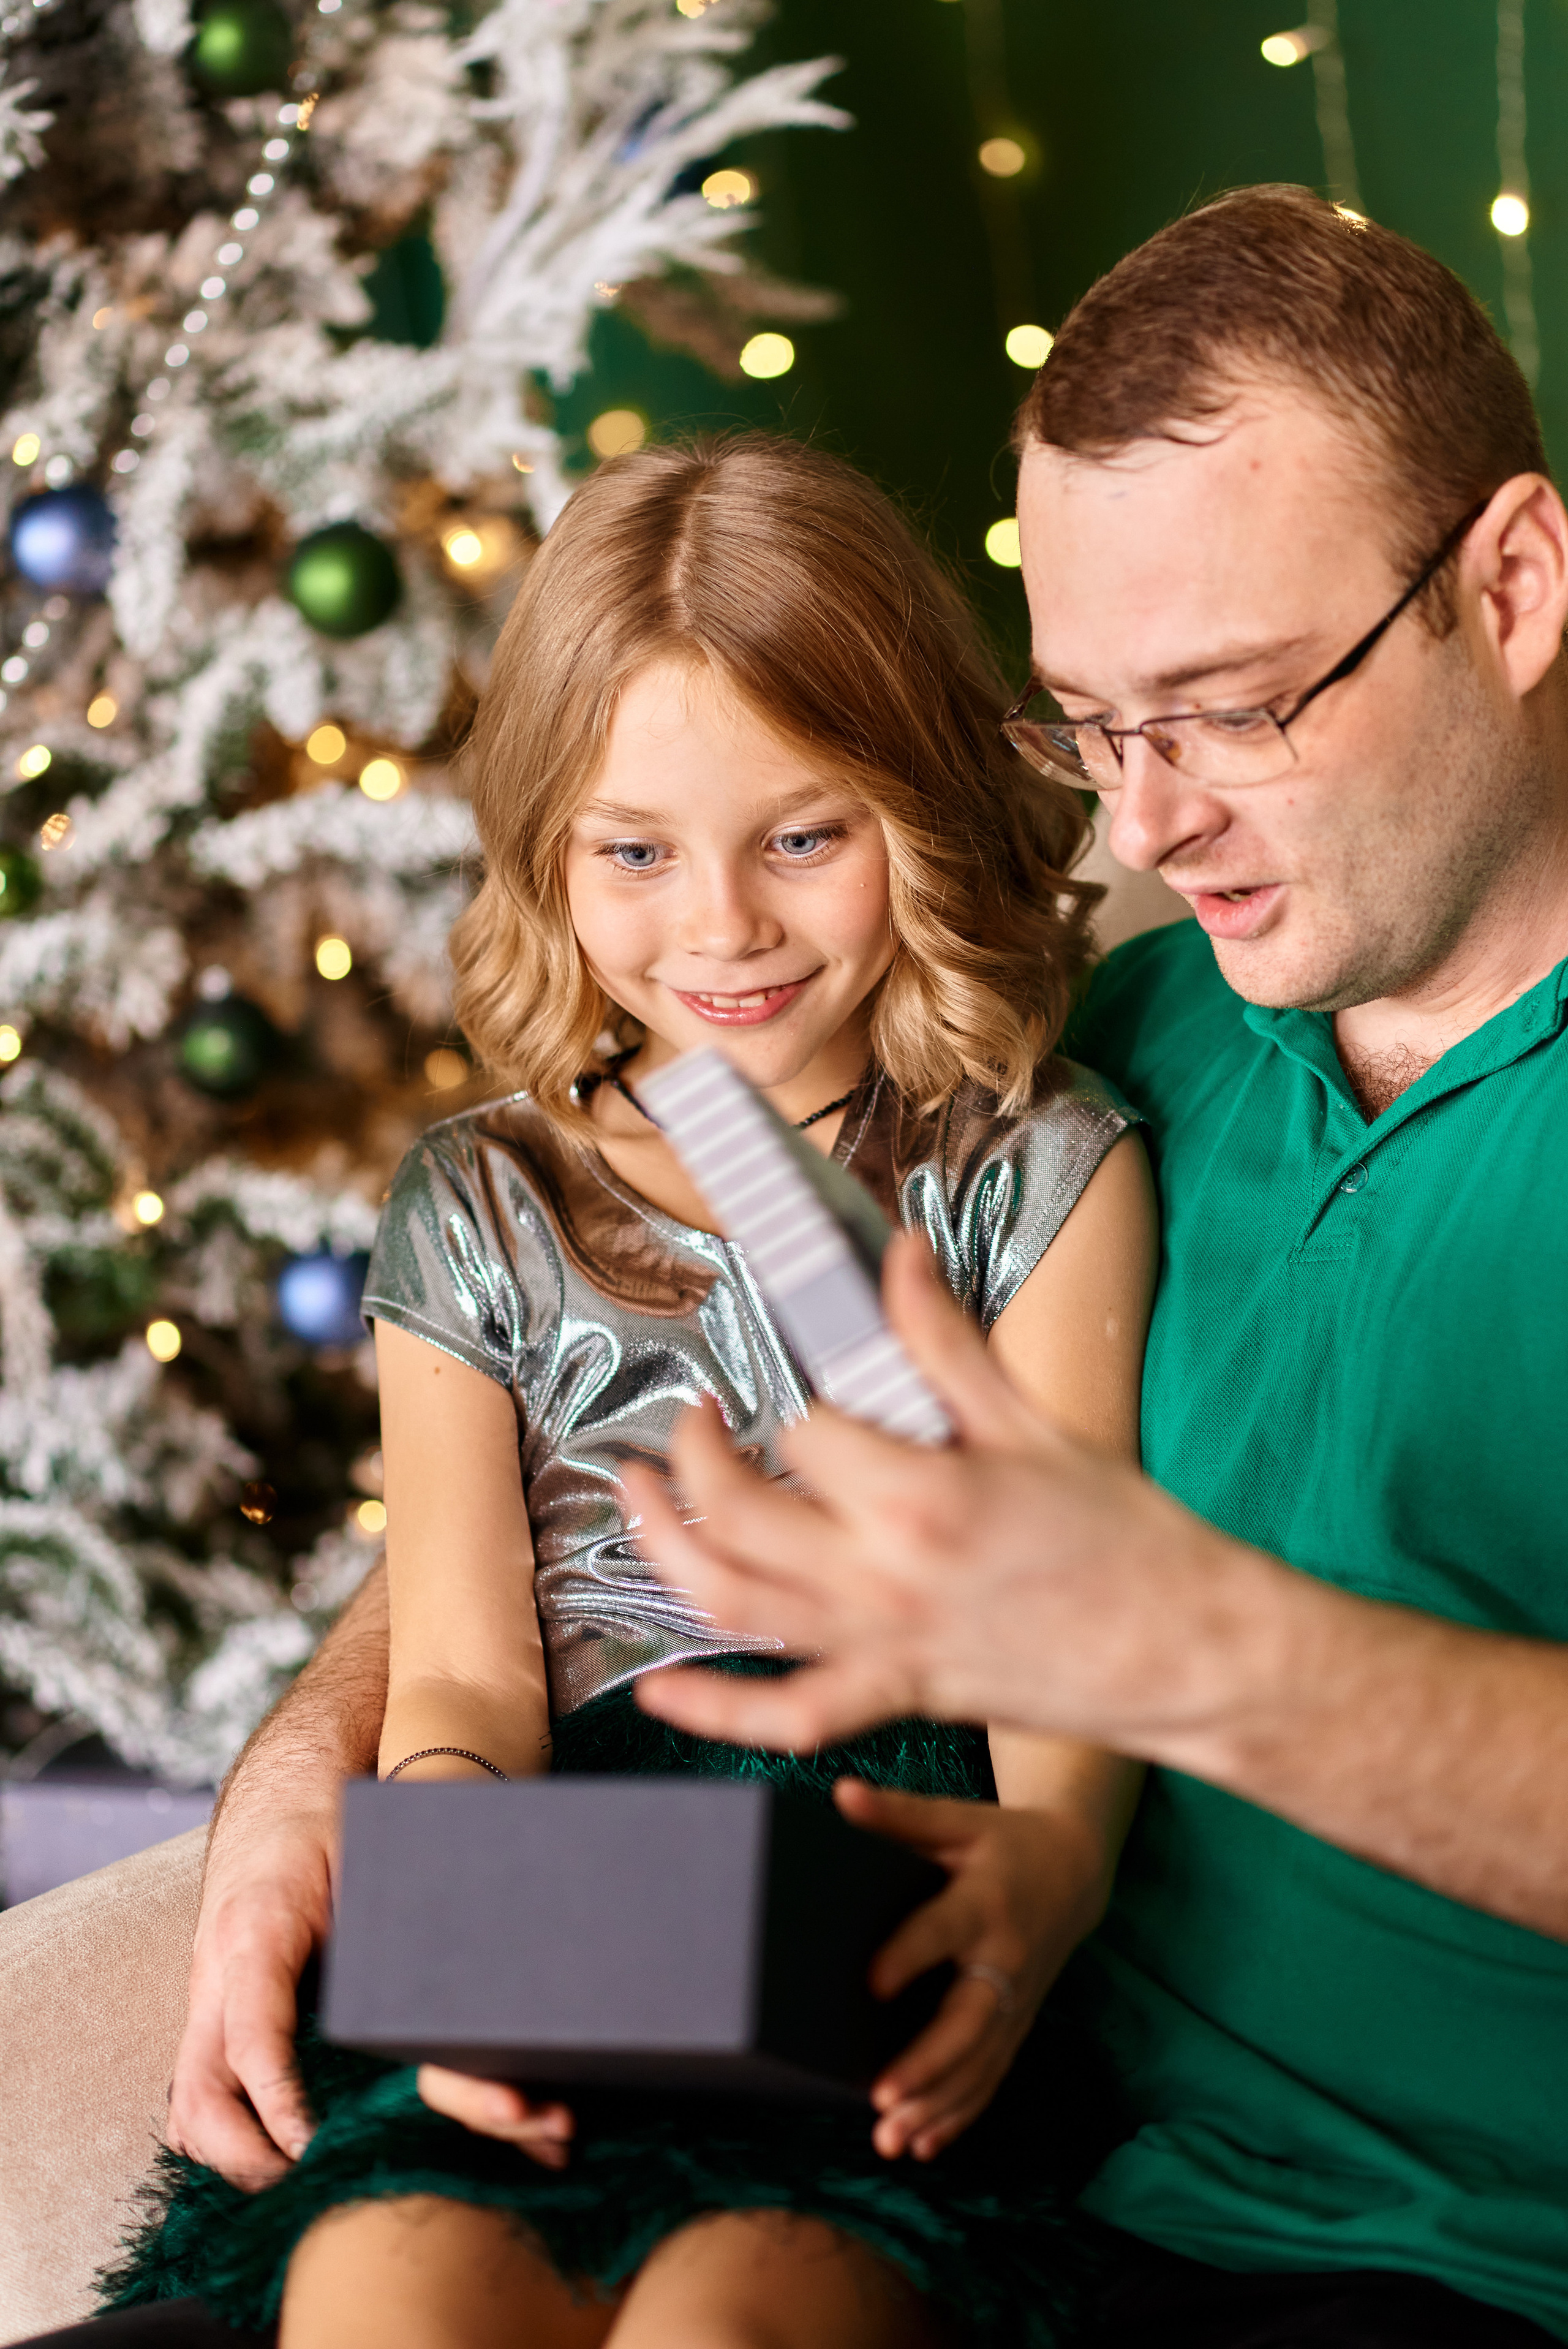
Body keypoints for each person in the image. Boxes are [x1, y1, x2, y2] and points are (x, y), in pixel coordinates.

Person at [620, 188, 1568, 2347]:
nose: (1144, 832)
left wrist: (1183, 1640)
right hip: (1012, 2174)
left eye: (1233, 711)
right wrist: (324, 1757)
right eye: (1091, 724)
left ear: (1510, 587)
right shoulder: (1135, 1049)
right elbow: (655, 1360)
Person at [95, 434, 1156, 2348]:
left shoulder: (1042, 1173)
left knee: (738, 2314)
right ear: (547, 850)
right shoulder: (481, 1206)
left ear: (917, 803)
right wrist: (462, 1945)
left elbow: (1064, 1635)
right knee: (386, 2287)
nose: (723, 925)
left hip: (882, 1902)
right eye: (638, 851)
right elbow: (468, 1673)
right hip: (561, 1885)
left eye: (804, 834)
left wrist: (1055, 1863)